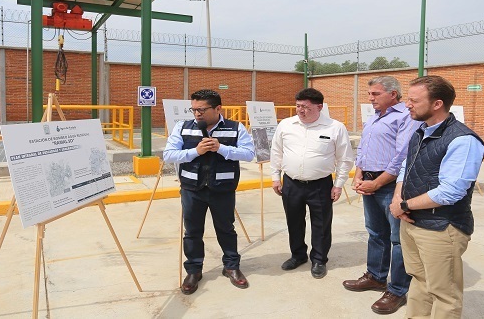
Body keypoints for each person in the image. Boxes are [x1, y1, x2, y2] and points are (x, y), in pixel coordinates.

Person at [389, 75, 484, 318]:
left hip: (441, 227)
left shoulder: (463, 140)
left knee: (444, 294)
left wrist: (403, 205)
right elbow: (406, 168)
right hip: (411, 222)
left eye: (413, 100)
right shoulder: (420, 131)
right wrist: (397, 201)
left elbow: (451, 191)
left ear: (437, 104)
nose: (407, 105)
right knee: (419, 281)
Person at [163, 89, 255, 295]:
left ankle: (231, 266)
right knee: (193, 231)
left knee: (226, 229)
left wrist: (221, 148)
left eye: (202, 110)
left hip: (222, 190)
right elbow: (169, 155)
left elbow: (249, 154)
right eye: (194, 109)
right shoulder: (182, 127)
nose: (197, 114)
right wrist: (197, 151)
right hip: (191, 189)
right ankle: (194, 270)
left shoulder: (236, 128)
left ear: (218, 108)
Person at [343, 76, 419, 315]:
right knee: (375, 233)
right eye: (370, 94)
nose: (370, 98)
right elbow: (363, 149)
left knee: (397, 240)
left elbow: (402, 156)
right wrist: (358, 175)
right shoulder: (374, 117)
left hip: (390, 185)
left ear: (393, 94)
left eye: (375, 94)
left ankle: (397, 290)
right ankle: (376, 276)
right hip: (370, 182)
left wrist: (377, 183)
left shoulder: (405, 117)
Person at [270, 88, 354, 279]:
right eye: (298, 106)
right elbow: (276, 152)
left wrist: (339, 184)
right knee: (294, 221)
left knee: (321, 223)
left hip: (321, 184)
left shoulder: (334, 127)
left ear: (319, 107)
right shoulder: (286, 125)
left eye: (306, 107)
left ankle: (319, 259)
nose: (300, 110)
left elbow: (345, 159)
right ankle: (298, 255)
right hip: (291, 183)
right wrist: (276, 176)